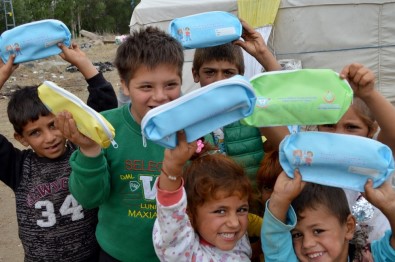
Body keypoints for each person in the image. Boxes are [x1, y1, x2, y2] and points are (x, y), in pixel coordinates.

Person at [55, 26, 185, 261]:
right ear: (124, 86)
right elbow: (89, 198)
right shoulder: (105, 128)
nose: (160, 96)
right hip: (116, 254)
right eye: (146, 86)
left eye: (170, 85)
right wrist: (89, 150)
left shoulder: (192, 133)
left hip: (180, 254)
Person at [0, 42, 117, 261]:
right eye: (35, 132)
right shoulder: (18, 167)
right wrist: (2, 76)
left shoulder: (83, 150)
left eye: (53, 125)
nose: (50, 137)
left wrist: (83, 64)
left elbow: (104, 108)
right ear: (21, 139)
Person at [261, 63, 395, 243]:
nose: (339, 135)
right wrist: (265, 60)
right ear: (317, 126)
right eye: (329, 125)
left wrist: (369, 94)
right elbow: (265, 116)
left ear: (370, 132)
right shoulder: (309, 161)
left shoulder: (375, 160)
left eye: (351, 127)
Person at [153, 132, 253, 261]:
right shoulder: (184, 252)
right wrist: (172, 168)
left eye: (241, 210)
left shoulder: (237, 240)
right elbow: (171, 215)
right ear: (189, 213)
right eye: (221, 211)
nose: (234, 223)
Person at [261, 170, 395, 261]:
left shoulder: (367, 258)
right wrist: (279, 199)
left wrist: (390, 207)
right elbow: (275, 245)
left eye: (318, 231)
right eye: (297, 235)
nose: (307, 244)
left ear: (348, 227)